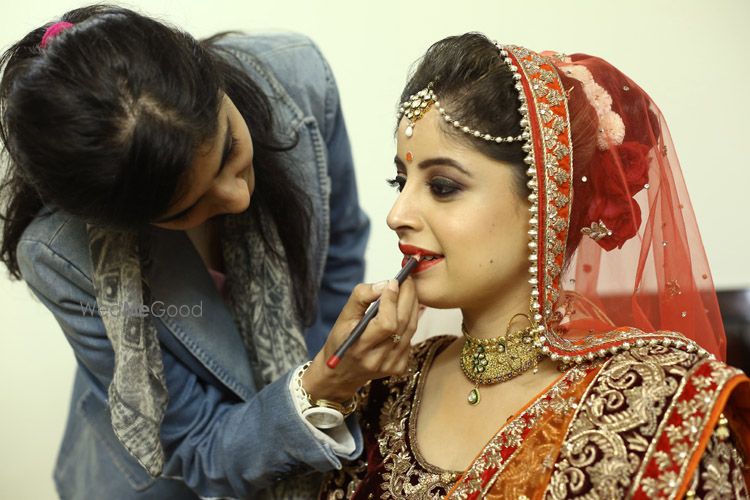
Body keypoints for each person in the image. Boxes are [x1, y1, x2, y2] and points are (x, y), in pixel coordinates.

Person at [0, 5, 421, 499]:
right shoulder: (60, 255)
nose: (237, 198)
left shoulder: (298, 80)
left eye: (229, 152)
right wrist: (320, 389)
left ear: (210, 77)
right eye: (188, 208)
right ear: (123, 222)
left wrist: (335, 366)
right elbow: (196, 444)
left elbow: (337, 253)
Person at [319, 33, 750, 499]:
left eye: (442, 186)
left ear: (548, 202)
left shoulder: (656, 398)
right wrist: (326, 386)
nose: (396, 215)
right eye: (399, 182)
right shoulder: (386, 386)